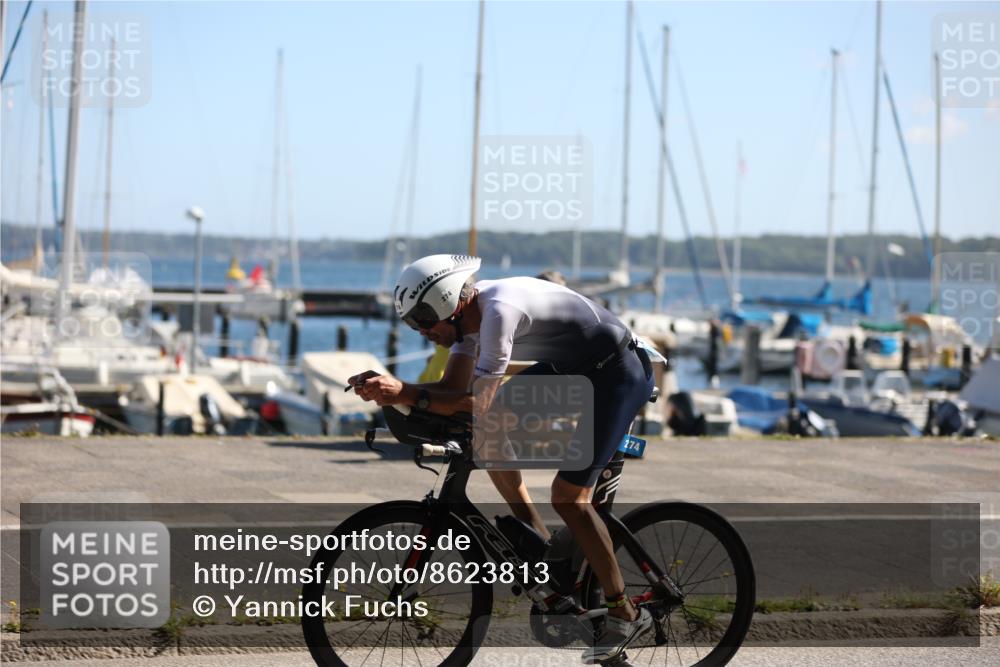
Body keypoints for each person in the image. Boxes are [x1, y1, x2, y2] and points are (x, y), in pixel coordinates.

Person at [348, 254, 655, 663]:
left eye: (422, 321)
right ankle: (544, 550)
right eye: (411, 324)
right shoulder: (465, 325)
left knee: (568, 496)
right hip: (572, 368)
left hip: (618, 371)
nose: (422, 332)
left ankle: (626, 612)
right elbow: (449, 389)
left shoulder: (497, 312)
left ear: (446, 303)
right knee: (491, 430)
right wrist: (393, 390)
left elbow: (477, 401)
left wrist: (404, 392)